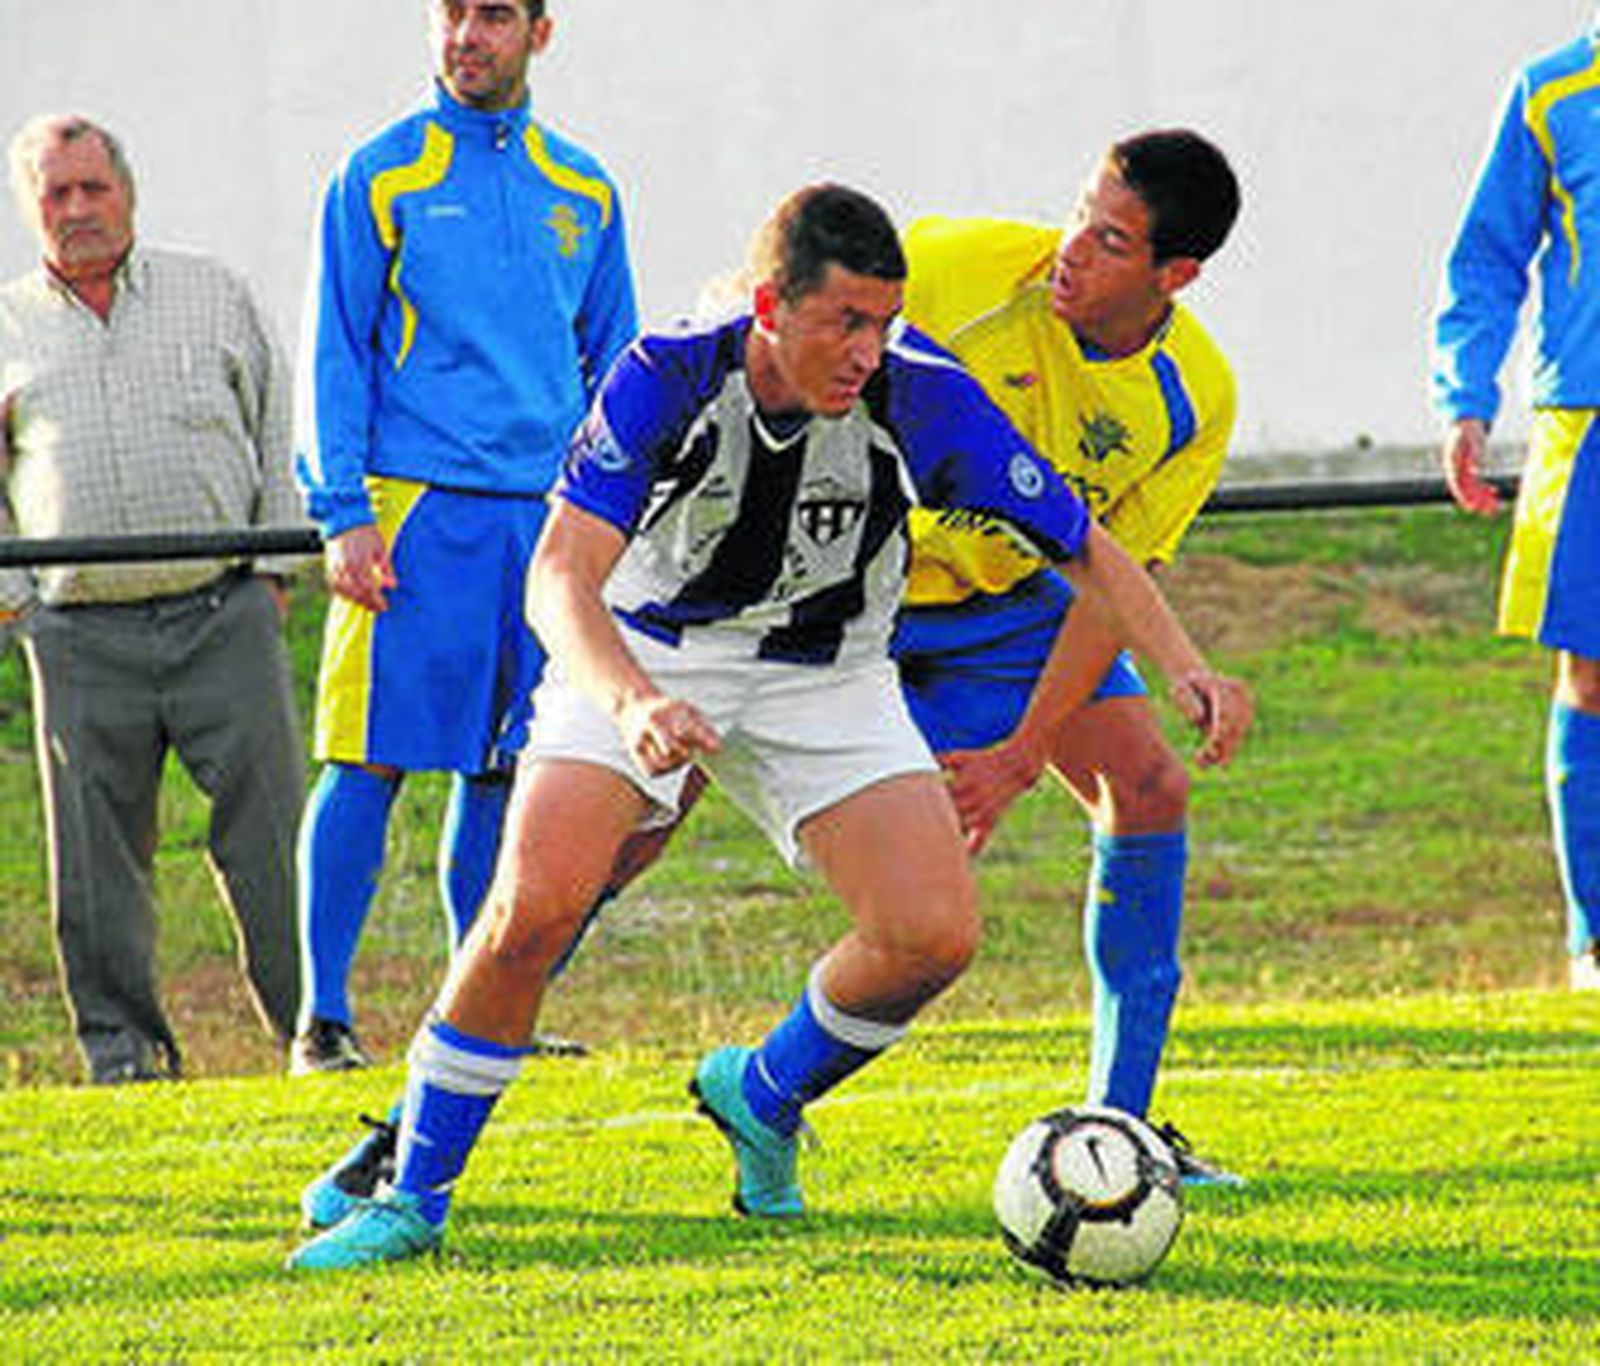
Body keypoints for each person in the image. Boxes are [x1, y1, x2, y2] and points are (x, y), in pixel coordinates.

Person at [285, 183, 1250, 1271]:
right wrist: (631, 701)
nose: (867, 350)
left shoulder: (922, 395)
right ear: (768, 308)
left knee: (933, 934)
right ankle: (412, 1190)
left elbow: (1086, 546)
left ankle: (763, 1089)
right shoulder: (665, 373)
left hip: (825, 671)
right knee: (539, 902)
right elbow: (560, 578)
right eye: (845, 321)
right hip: (649, 647)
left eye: (884, 322)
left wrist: (1183, 663)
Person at [292, 0, 638, 1072]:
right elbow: (333, 352)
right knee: (370, 759)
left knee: (507, 771)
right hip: (413, 509)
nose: (465, 35)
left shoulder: (584, 187)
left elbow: (618, 364)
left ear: (540, 31)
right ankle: (323, 1019)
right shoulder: (379, 174)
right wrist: (341, 511)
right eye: (451, 13)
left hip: (543, 524)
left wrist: (620, 520)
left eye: (492, 15)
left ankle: (477, 1012)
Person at [891, 128, 1246, 1174]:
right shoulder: (957, 266)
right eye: (1075, 216)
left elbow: (1107, 589)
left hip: (1012, 606)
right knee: (647, 809)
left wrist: (1019, 752)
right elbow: (794, 299)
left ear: (1173, 275)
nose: (1067, 253)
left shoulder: (1196, 396)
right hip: (857, 591)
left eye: (1106, 239)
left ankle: (1121, 1129)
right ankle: (460, 1069)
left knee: (1148, 784)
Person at [0, 114, 306, 1084]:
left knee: (272, 836)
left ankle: (312, 1028)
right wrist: (17, 602)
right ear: (29, 206)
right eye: (57, 193)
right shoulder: (5, 327)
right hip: (78, 629)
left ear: (127, 192)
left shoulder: (211, 293)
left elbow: (275, 420)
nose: (79, 209)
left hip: (224, 612)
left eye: (94, 188)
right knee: (92, 862)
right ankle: (124, 1051)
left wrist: (269, 569)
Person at [1432, 22, 1600, 993]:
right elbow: (1486, 259)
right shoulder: (1552, 92)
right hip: (1589, 424)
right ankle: (1595, 937)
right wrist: (1464, 399)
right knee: (1590, 676)